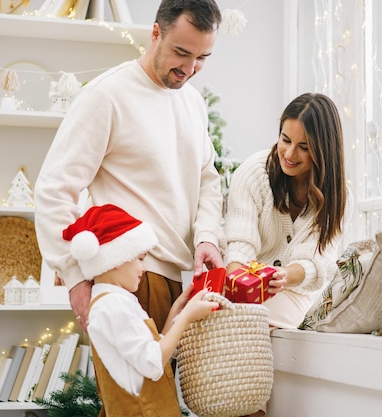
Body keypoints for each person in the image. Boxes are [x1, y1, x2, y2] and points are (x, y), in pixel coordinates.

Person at [33, 0, 225, 332]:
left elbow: (208, 179)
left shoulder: (193, 102)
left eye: (202, 58)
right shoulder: (106, 96)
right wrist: (76, 277)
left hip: (183, 282)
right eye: (181, 52)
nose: (190, 68)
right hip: (127, 280)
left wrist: (207, 237)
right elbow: (53, 191)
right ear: (155, 33)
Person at [62, 203, 219, 416]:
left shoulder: (117, 300)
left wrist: (178, 309)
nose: (143, 269)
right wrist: (188, 317)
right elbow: (152, 363)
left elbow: (153, 347)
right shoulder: (112, 306)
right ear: (117, 259)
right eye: (140, 259)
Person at [224, 92, 353, 330]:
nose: (290, 154)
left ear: (323, 150)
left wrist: (284, 276)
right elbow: (239, 248)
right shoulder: (253, 174)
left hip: (294, 293)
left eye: (303, 147)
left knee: (264, 323)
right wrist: (239, 293)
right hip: (242, 286)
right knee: (240, 321)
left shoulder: (337, 197)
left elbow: (319, 264)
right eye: (285, 140)